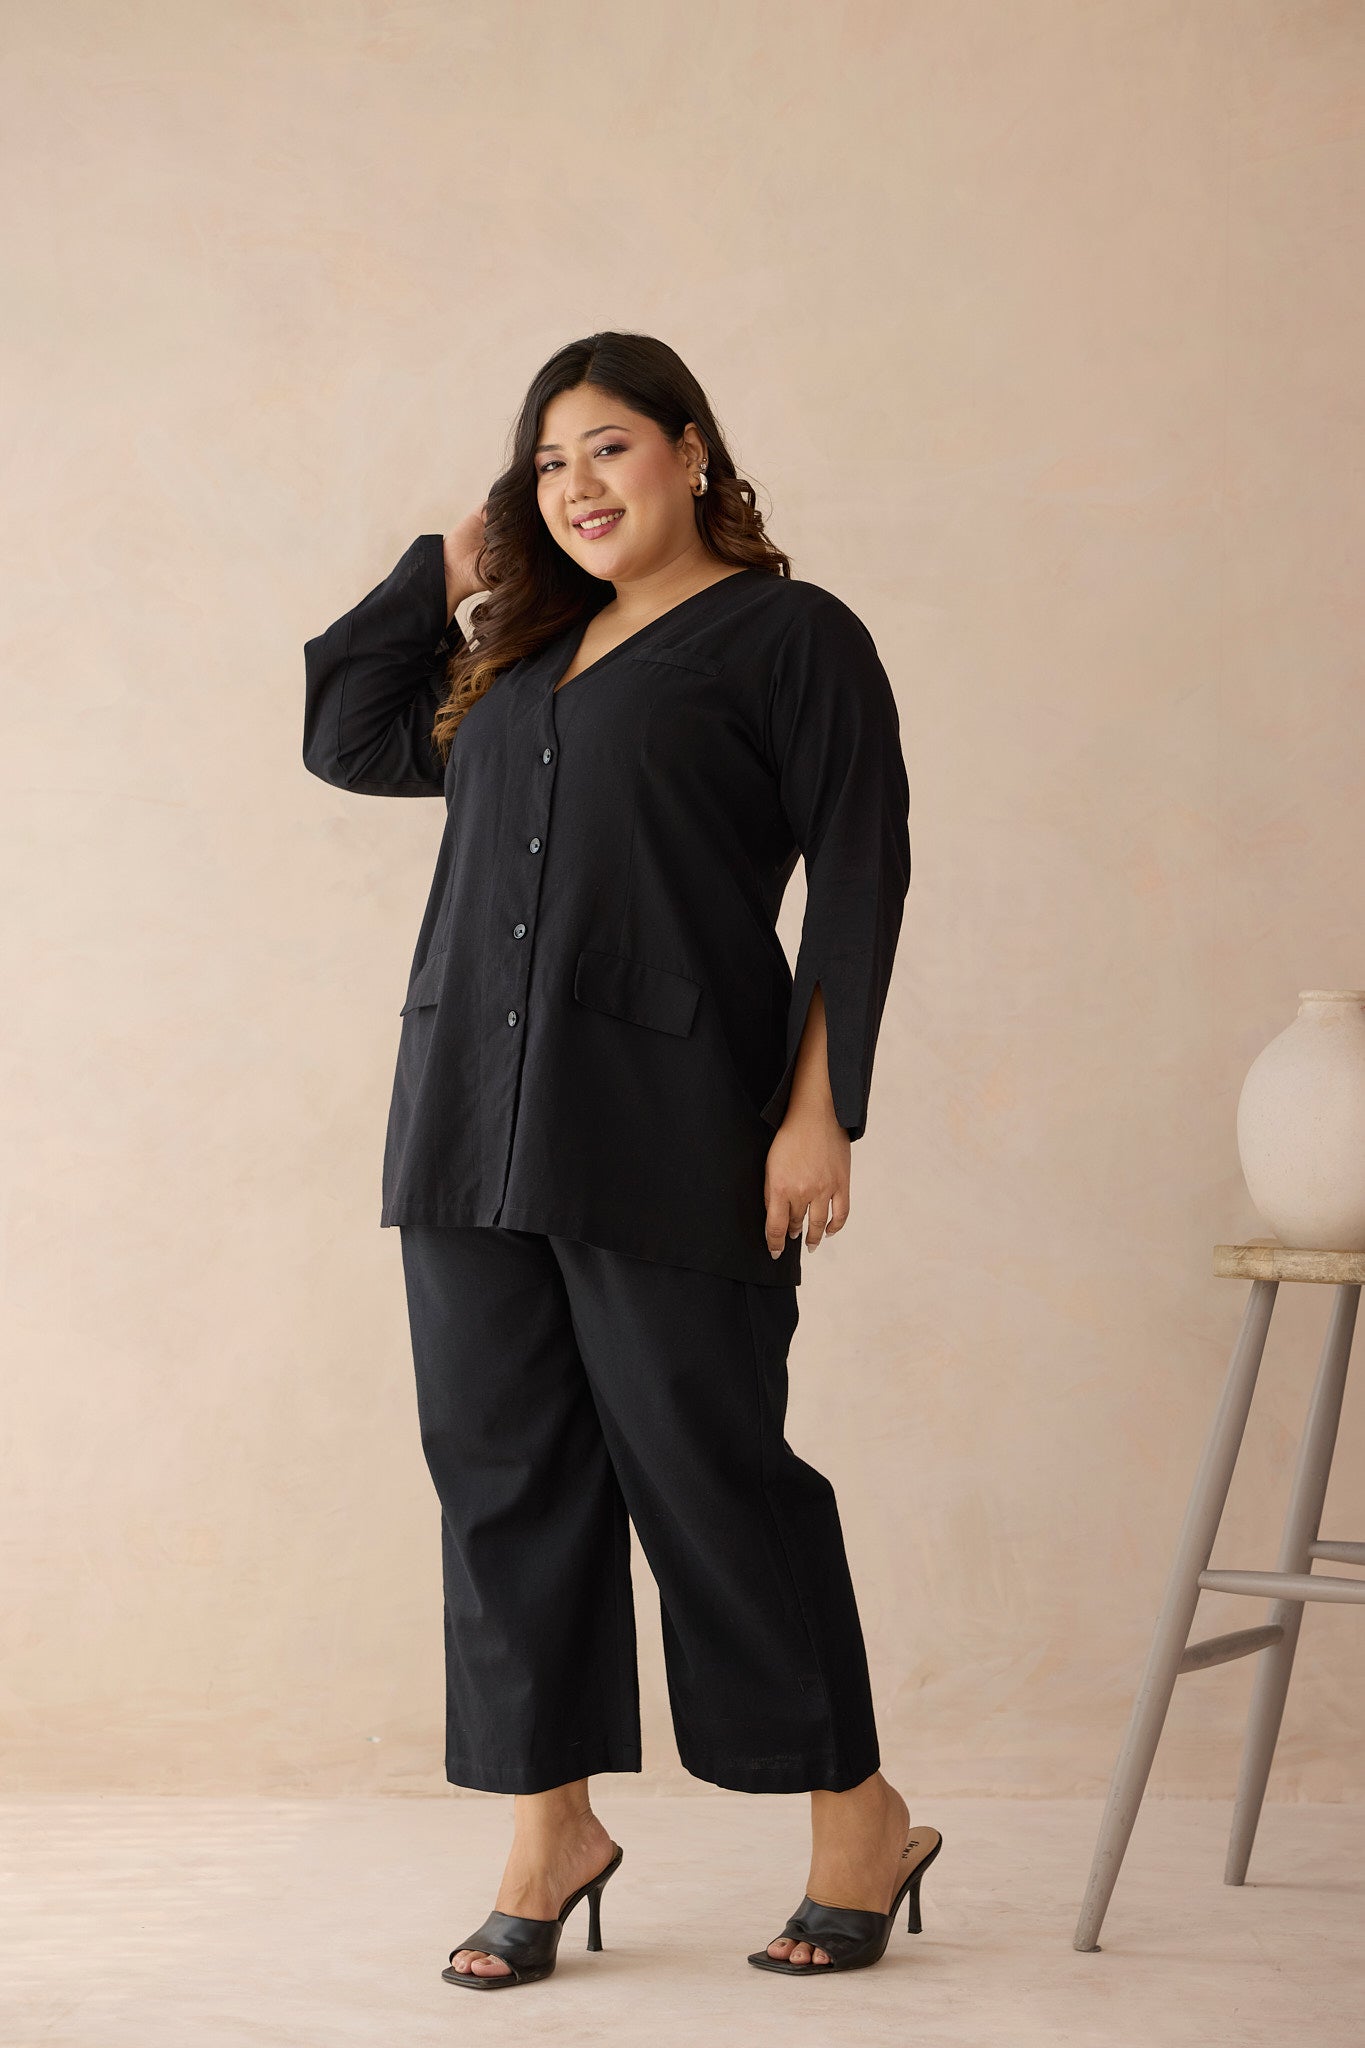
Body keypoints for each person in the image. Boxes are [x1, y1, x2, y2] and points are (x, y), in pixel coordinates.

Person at [301, 330, 941, 1987]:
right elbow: (349, 735)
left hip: (669, 1125)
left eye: (607, 448)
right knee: (502, 1475)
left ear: (690, 449)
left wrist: (818, 1109)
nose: (576, 485)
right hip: (467, 1122)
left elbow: (860, 872)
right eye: (547, 462)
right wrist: (444, 563)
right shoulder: (521, 657)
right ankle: (550, 1828)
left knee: (710, 1470)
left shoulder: (789, 636)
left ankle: (859, 1819)